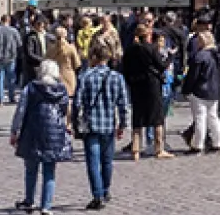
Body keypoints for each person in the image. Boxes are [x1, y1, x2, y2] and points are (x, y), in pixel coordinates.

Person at [10, 59, 73, 215]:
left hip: (32, 132)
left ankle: (29, 200)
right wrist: (67, 126)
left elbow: (21, 111)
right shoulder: (61, 89)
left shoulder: (30, 88)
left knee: (31, 170)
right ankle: (46, 206)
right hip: (54, 132)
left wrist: (14, 131)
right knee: (49, 171)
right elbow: (65, 110)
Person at [74, 42, 128, 211]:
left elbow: (77, 103)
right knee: (107, 161)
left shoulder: (85, 76)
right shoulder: (117, 77)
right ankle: (105, 190)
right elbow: (123, 104)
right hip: (108, 124)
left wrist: (75, 122)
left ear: (94, 57)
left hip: (91, 124)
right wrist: (122, 124)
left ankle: (97, 196)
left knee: (93, 161)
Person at [120, 24, 172, 160]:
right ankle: (159, 149)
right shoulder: (151, 48)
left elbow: (124, 68)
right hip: (152, 85)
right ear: (148, 35)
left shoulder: (130, 50)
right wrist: (170, 57)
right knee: (157, 118)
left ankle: (135, 150)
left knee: (138, 118)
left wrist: (130, 82)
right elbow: (161, 66)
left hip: (136, 85)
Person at [182, 32, 220, 155]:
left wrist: (186, 89)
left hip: (200, 90)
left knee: (200, 118)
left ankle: (198, 145)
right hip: (214, 90)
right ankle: (217, 143)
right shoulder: (216, 55)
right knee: (213, 117)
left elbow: (192, 76)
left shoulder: (199, 56)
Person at [45, 28, 80, 97]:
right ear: (65, 36)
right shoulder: (71, 48)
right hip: (68, 77)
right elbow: (77, 64)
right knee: (69, 97)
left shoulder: (50, 49)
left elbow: (45, 63)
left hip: (54, 77)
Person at [0, 15, 22, 104]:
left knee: (0, 78)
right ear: (9, 21)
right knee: (11, 78)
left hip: (0, 58)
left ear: (1, 20)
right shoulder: (14, 31)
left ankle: (0, 99)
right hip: (11, 57)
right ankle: (12, 97)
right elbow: (19, 44)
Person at [23, 16, 48, 84]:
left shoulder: (45, 35)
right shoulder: (30, 37)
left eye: (42, 25)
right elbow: (29, 53)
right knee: (34, 84)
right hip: (34, 66)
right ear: (35, 25)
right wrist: (42, 59)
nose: (41, 27)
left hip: (44, 64)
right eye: (39, 24)